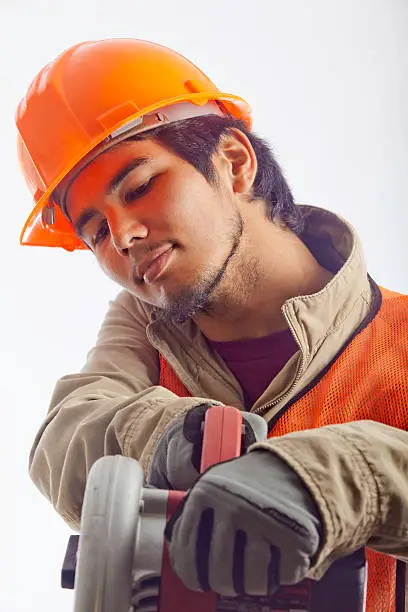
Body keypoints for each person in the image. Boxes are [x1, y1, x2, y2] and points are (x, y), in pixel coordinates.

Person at [16, 38, 408, 611]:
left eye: (140, 186)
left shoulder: (399, 337)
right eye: (96, 229)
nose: (123, 236)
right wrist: (174, 437)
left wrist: (337, 474)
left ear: (234, 162)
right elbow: (68, 433)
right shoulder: (147, 330)